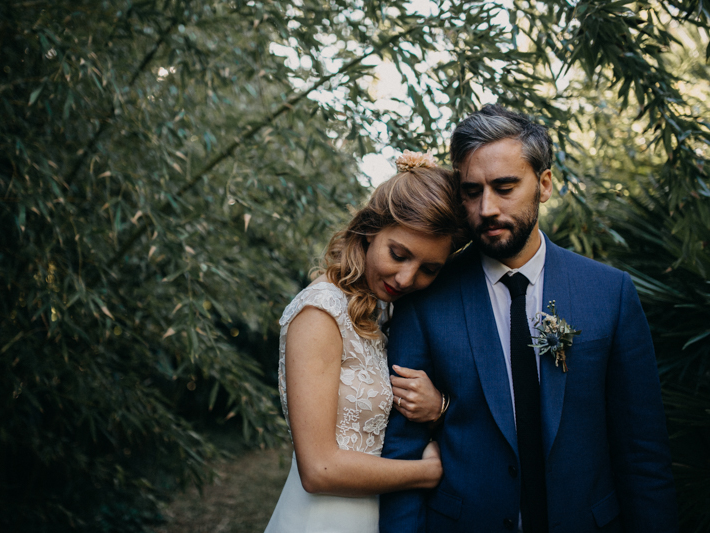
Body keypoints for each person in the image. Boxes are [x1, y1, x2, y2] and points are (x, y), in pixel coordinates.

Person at [379, 105, 679, 533]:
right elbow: (403, 449)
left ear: (544, 184)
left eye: (505, 187)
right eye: (471, 191)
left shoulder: (610, 293)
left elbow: (643, 452)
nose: (486, 208)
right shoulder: (425, 299)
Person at [264, 151, 467, 533]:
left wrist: (437, 406)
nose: (406, 279)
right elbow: (319, 469)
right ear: (370, 229)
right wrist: (424, 473)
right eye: (399, 254)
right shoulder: (321, 311)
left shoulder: (381, 310)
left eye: (428, 269)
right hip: (321, 519)